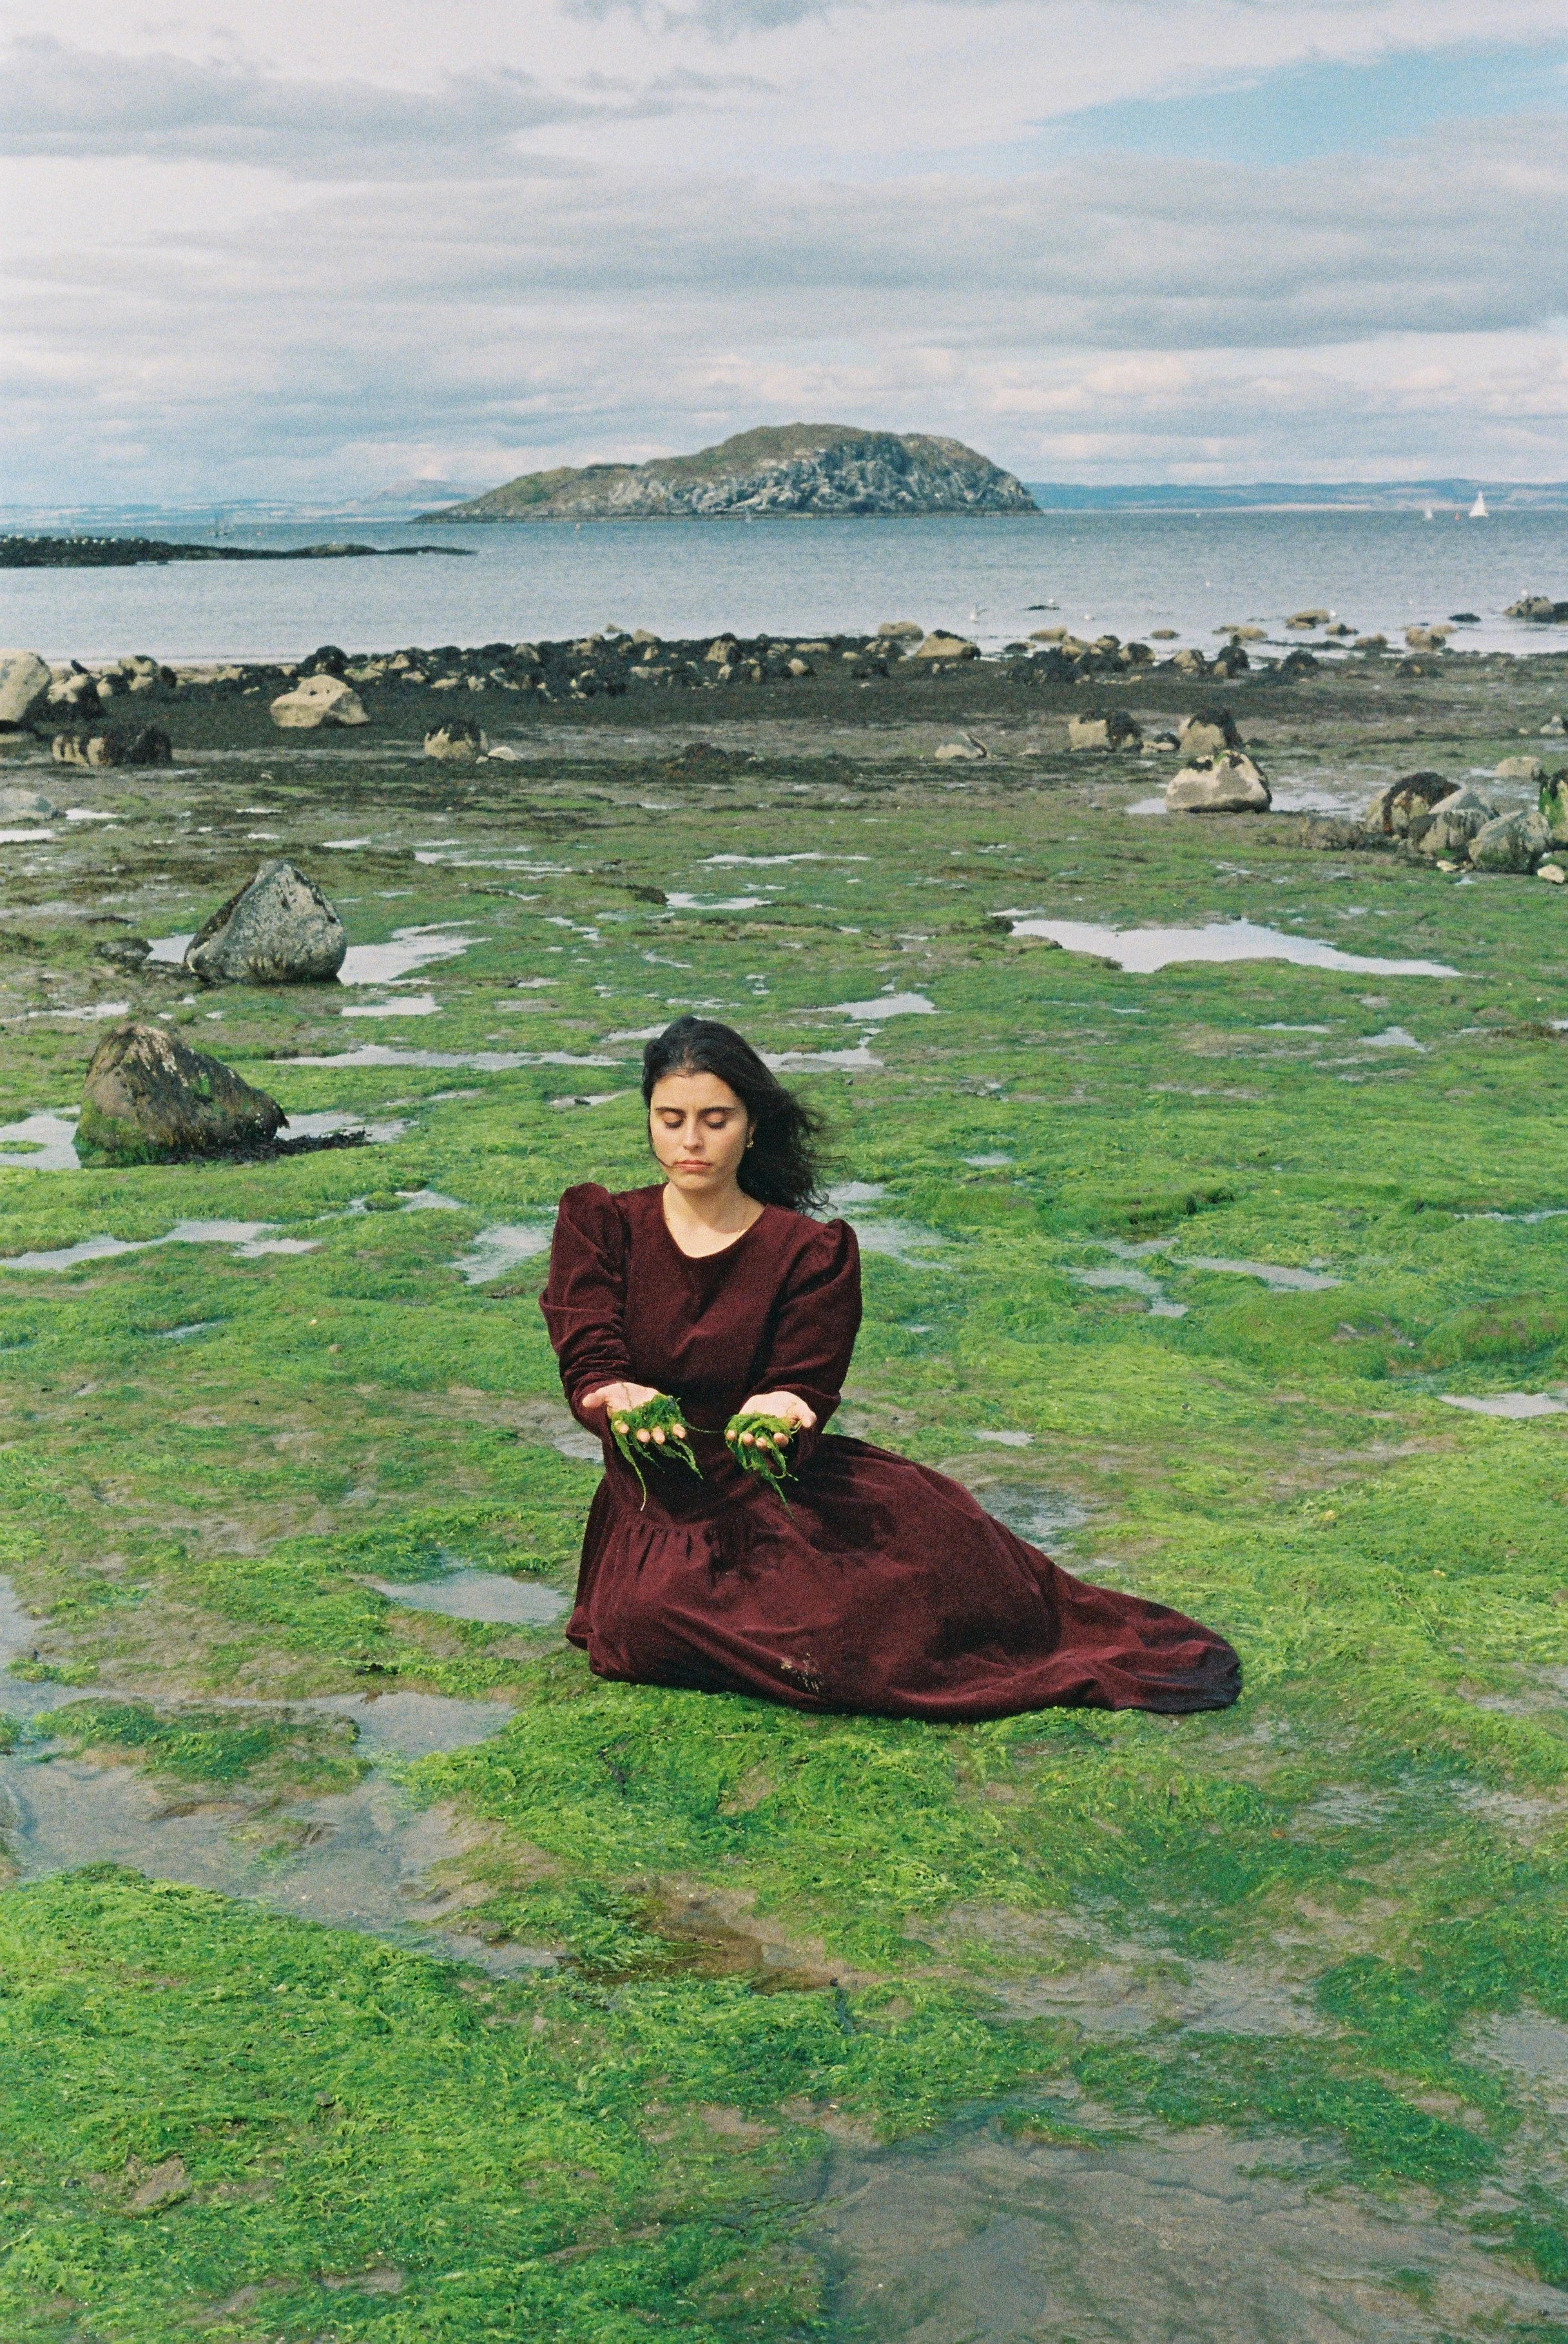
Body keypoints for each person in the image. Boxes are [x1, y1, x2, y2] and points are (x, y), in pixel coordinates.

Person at [540, 1016, 1240, 1721]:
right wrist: (611, 1392)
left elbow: (803, 1376)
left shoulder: (810, 1252)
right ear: (651, 1123)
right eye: (671, 1119)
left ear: (752, 1128)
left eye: (715, 1120)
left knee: (871, 1642)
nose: (691, 1141)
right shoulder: (602, 1225)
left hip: (770, 1501)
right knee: (636, 1634)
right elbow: (590, 1348)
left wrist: (784, 1407)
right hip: (656, 1517)